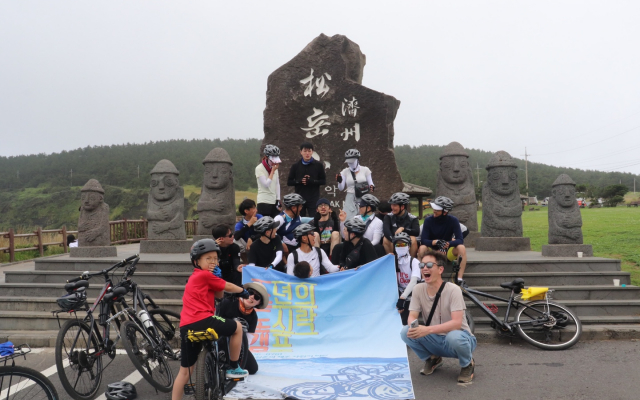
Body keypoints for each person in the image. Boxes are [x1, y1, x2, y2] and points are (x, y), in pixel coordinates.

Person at [173, 239, 251, 400]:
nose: (213, 262)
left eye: (215, 258)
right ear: (196, 261)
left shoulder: (199, 276)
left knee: (185, 371)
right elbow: (228, 287)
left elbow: (219, 295)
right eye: (208, 258)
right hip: (204, 319)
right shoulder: (203, 275)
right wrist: (243, 291)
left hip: (186, 326)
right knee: (237, 327)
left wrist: (218, 279)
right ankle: (233, 366)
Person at [400, 250, 476, 383]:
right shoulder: (418, 289)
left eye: (429, 265)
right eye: (422, 265)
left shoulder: (453, 290)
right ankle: (433, 359)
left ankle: (467, 364)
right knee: (405, 331)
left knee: (454, 336)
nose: (424, 268)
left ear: (440, 269)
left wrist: (426, 329)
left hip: (460, 338)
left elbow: (457, 323)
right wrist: (414, 327)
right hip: (435, 338)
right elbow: (412, 315)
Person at [217, 282, 270, 375]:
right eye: (250, 292)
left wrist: (240, 352)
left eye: (257, 297)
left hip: (239, 345)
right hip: (220, 340)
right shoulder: (228, 302)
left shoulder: (253, 316)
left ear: (259, 303)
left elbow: (248, 339)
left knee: (253, 368)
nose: (252, 297)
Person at [419, 196, 468, 280]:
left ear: (445, 212)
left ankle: (459, 279)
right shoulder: (428, 220)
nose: (434, 211)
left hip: (447, 251)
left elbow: (460, 239)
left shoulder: (453, 220)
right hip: (432, 251)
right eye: (434, 209)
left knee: (461, 247)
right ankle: (423, 278)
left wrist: (447, 244)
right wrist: (435, 242)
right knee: (422, 248)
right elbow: (424, 240)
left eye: (437, 210)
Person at [287, 142, 326, 217]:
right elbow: (289, 182)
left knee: (314, 219)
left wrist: (312, 181)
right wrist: (300, 181)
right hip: (299, 198)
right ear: (301, 152)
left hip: (313, 198)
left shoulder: (318, 165)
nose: (307, 153)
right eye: (305, 151)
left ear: (312, 152)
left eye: (309, 151)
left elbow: (323, 181)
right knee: (299, 219)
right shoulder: (295, 166)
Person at [392, 232, 422, 325]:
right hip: (398, 294)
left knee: (409, 318)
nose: (400, 247)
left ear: (408, 246)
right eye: (398, 245)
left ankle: (412, 330)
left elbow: (413, 282)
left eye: (403, 244)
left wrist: (402, 298)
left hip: (412, 294)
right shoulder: (392, 260)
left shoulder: (414, 261)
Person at [336, 149, 374, 219]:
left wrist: (372, 187)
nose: (351, 163)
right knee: (348, 218)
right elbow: (341, 188)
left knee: (364, 217)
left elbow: (371, 183)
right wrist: (339, 181)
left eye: (352, 162)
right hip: (350, 197)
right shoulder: (345, 172)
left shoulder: (365, 170)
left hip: (362, 196)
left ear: (357, 160)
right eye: (349, 162)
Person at [255, 144, 281, 218]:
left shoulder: (275, 168)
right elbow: (266, 184)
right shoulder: (259, 168)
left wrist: (278, 199)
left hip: (273, 201)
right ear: (266, 157)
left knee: (275, 222)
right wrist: (272, 171)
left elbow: (277, 184)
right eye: (272, 160)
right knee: (265, 223)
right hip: (264, 201)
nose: (274, 163)